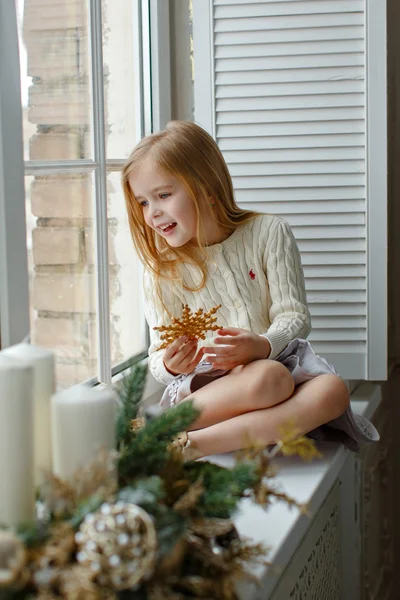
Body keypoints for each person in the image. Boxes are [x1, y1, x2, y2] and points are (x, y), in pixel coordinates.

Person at [122, 120, 379, 460]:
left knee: (332, 391)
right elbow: (158, 356)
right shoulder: (161, 271)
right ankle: (165, 427)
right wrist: (170, 365)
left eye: (164, 195)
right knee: (270, 379)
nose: (152, 213)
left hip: (275, 361)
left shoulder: (268, 232)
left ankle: (191, 446)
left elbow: (294, 315)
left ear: (207, 186)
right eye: (142, 203)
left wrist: (262, 344)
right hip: (210, 389)